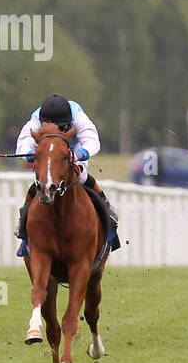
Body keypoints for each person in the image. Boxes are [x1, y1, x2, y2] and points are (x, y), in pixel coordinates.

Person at [13, 94, 118, 248]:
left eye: (62, 128)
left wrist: (78, 155)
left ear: (69, 122)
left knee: (80, 176)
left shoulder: (77, 116)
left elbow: (91, 140)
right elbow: (24, 142)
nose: (58, 130)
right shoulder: (36, 118)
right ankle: (23, 221)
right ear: (43, 123)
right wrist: (29, 154)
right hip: (50, 153)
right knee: (41, 182)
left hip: (73, 150)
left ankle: (106, 210)